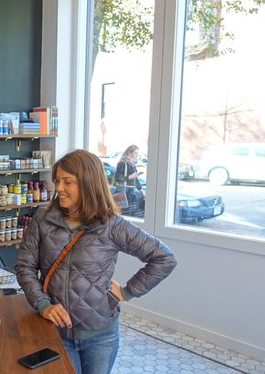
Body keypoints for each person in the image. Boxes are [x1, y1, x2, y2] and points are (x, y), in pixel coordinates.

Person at [15, 149, 177, 374]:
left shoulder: (112, 225)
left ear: (88, 183)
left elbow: (164, 258)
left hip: (100, 336)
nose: (59, 188)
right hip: (54, 331)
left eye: (67, 182)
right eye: (58, 180)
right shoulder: (42, 219)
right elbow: (25, 267)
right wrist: (43, 304)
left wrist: (128, 292)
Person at [114, 145, 145, 213]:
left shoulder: (132, 164)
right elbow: (117, 178)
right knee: (124, 213)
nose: (137, 155)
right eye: (135, 153)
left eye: (137, 153)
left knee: (131, 213)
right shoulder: (122, 163)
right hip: (124, 192)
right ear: (129, 153)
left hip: (130, 192)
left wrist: (142, 191)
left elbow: (135, 179)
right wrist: (130, 177)